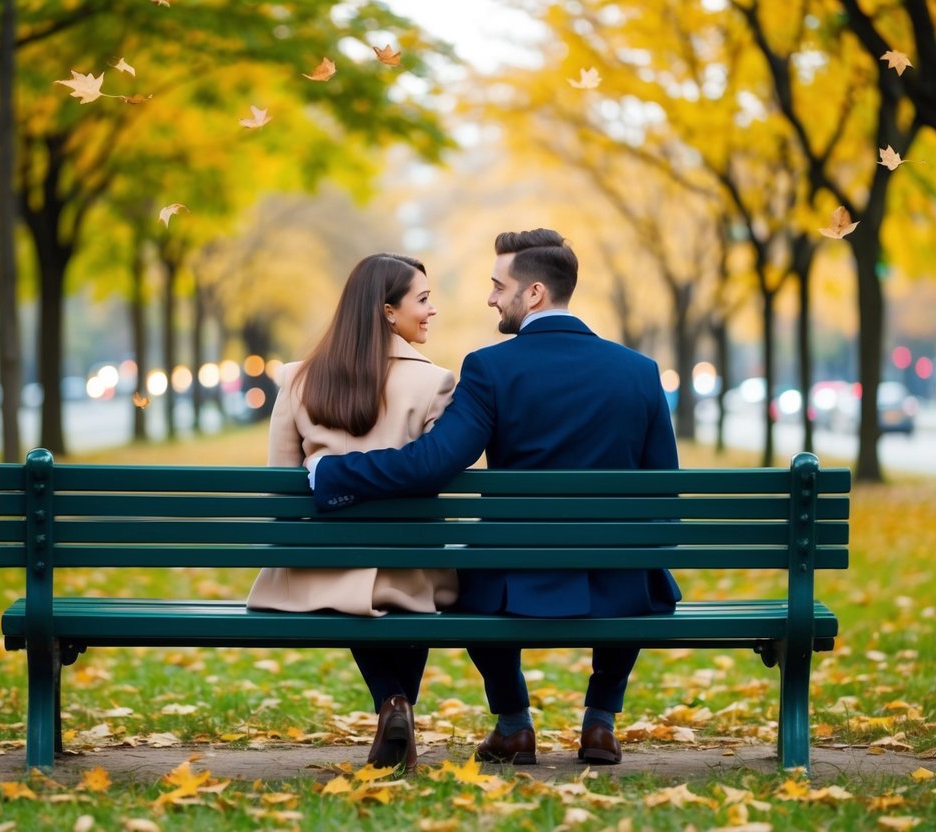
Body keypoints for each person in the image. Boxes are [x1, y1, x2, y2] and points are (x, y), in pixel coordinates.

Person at [310, 229, 680, 766]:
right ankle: (600, 720)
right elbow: (663, 501)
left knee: (464, 583)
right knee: (635, 561)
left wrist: (334, 473)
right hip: (621, 585)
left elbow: (432, 462)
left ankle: (513, 722)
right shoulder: (640, 373)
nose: (489, 298)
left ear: (532, 294)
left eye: (497, 285)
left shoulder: (490, 368)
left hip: (515, 583)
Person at [247, 252, 457, 770]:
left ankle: (390, 702)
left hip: (323, 565)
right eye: (423, 300)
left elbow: (282, 488)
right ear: (389, 312)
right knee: (408, 591)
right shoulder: (436, 383)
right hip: (412, 568)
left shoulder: (298, 379)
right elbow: (434, 476)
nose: (432, 310)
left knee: (344, 586)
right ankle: (399, 703)